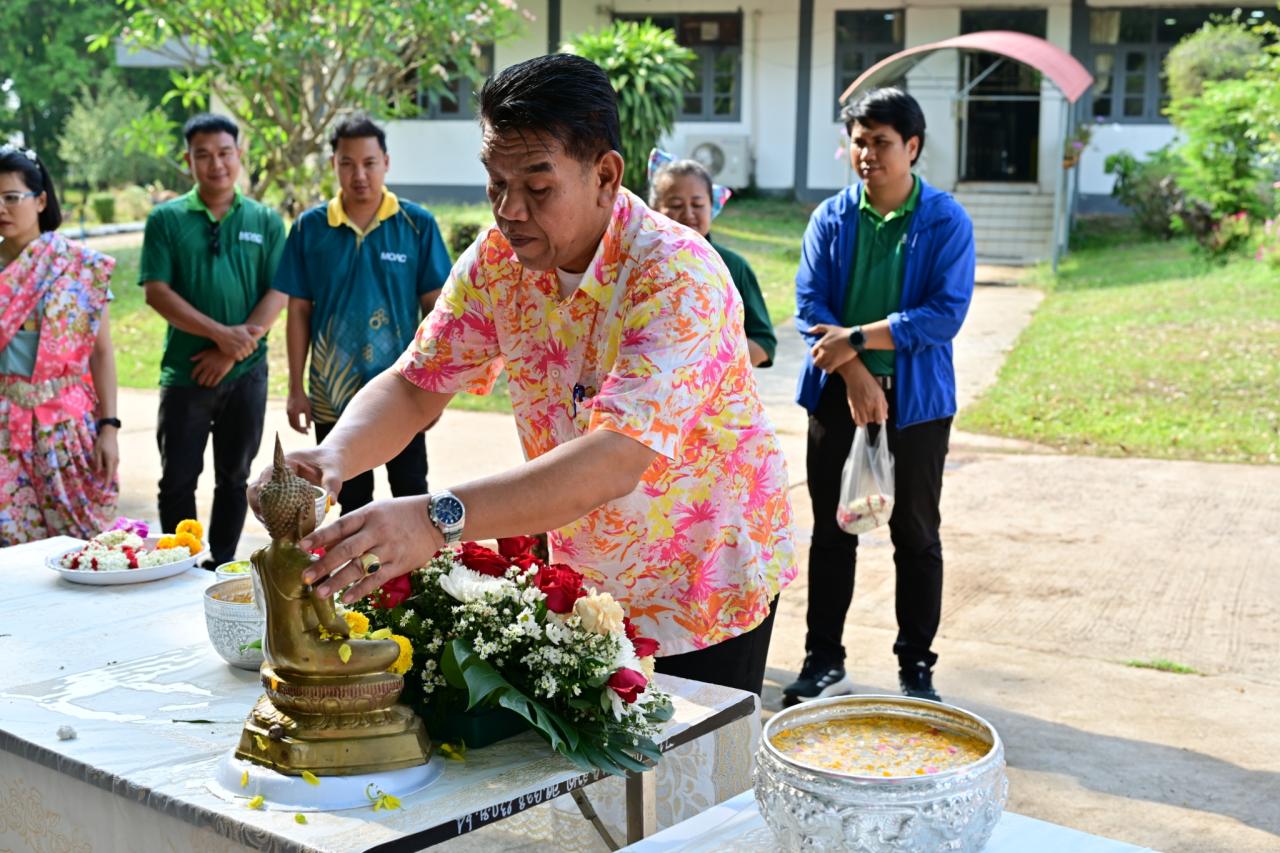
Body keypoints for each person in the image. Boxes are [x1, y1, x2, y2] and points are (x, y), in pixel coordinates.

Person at [253, 54, 796, 696]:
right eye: (495, 182)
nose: (510, 209)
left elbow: (614, 460)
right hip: (584, 575)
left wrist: (435, 520)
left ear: (605, 175)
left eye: (537, 188)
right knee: (587, 775)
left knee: (690, 785)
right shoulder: (499, 262)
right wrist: (336, 453)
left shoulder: (677, 274)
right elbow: (416, 382)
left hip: (700, 577)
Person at [783, 88, 975, 706]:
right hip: (837, 397)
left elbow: (943, 315)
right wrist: (856, 374)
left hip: (917, 404)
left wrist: (857, 339)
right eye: (860, 142)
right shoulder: (831, 217)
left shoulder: (945, 220)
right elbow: (809, 304)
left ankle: (916, 667)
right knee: (833, 531)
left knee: (915, 535)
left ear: (912, 147)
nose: (867, 154)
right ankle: (823, 660)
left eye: (882, 143)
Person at [273, 114, 450, 515]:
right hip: (332, 396)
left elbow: (438, 311)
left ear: (385, 162)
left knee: (410, 492)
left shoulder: (416, 224)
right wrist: (296, 388)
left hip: (401, 394)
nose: (359, 174)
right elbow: (298, 311)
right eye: (347, 163)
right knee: (347, 499)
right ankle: (358, 579)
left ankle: (412, 577)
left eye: (369, 163)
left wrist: (432, 393)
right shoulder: (309, 228)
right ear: (333, 164)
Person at [140, 114, 286, 565]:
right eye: (203, 155)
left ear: (239, 155)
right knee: (178, 478)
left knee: (235, 476)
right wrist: (222, 335)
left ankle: (220, 565)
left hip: (246, 375)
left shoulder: (265, 220)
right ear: (188, 161)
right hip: (186, 373)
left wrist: (231, 352)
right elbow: (157, 292)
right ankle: (178, 563)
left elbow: (277, 290)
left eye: (224, 153)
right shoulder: (166, 219)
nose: (216, 163)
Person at [0, 145, 119, 545]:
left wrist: (110, 428)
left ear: (41, 200)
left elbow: (102, 352)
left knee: (81, 544)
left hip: (68, 426)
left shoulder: (80, 266)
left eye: (11, 197)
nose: (1, 208)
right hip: (4, 429)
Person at [647, 150, 776, 368]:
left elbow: (763, 345)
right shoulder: (639, 266)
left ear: (711, 206)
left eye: (697, 205)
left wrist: (708, 367)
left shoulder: (733, 267)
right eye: (676, 205)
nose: (688, 214)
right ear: (654, 210)